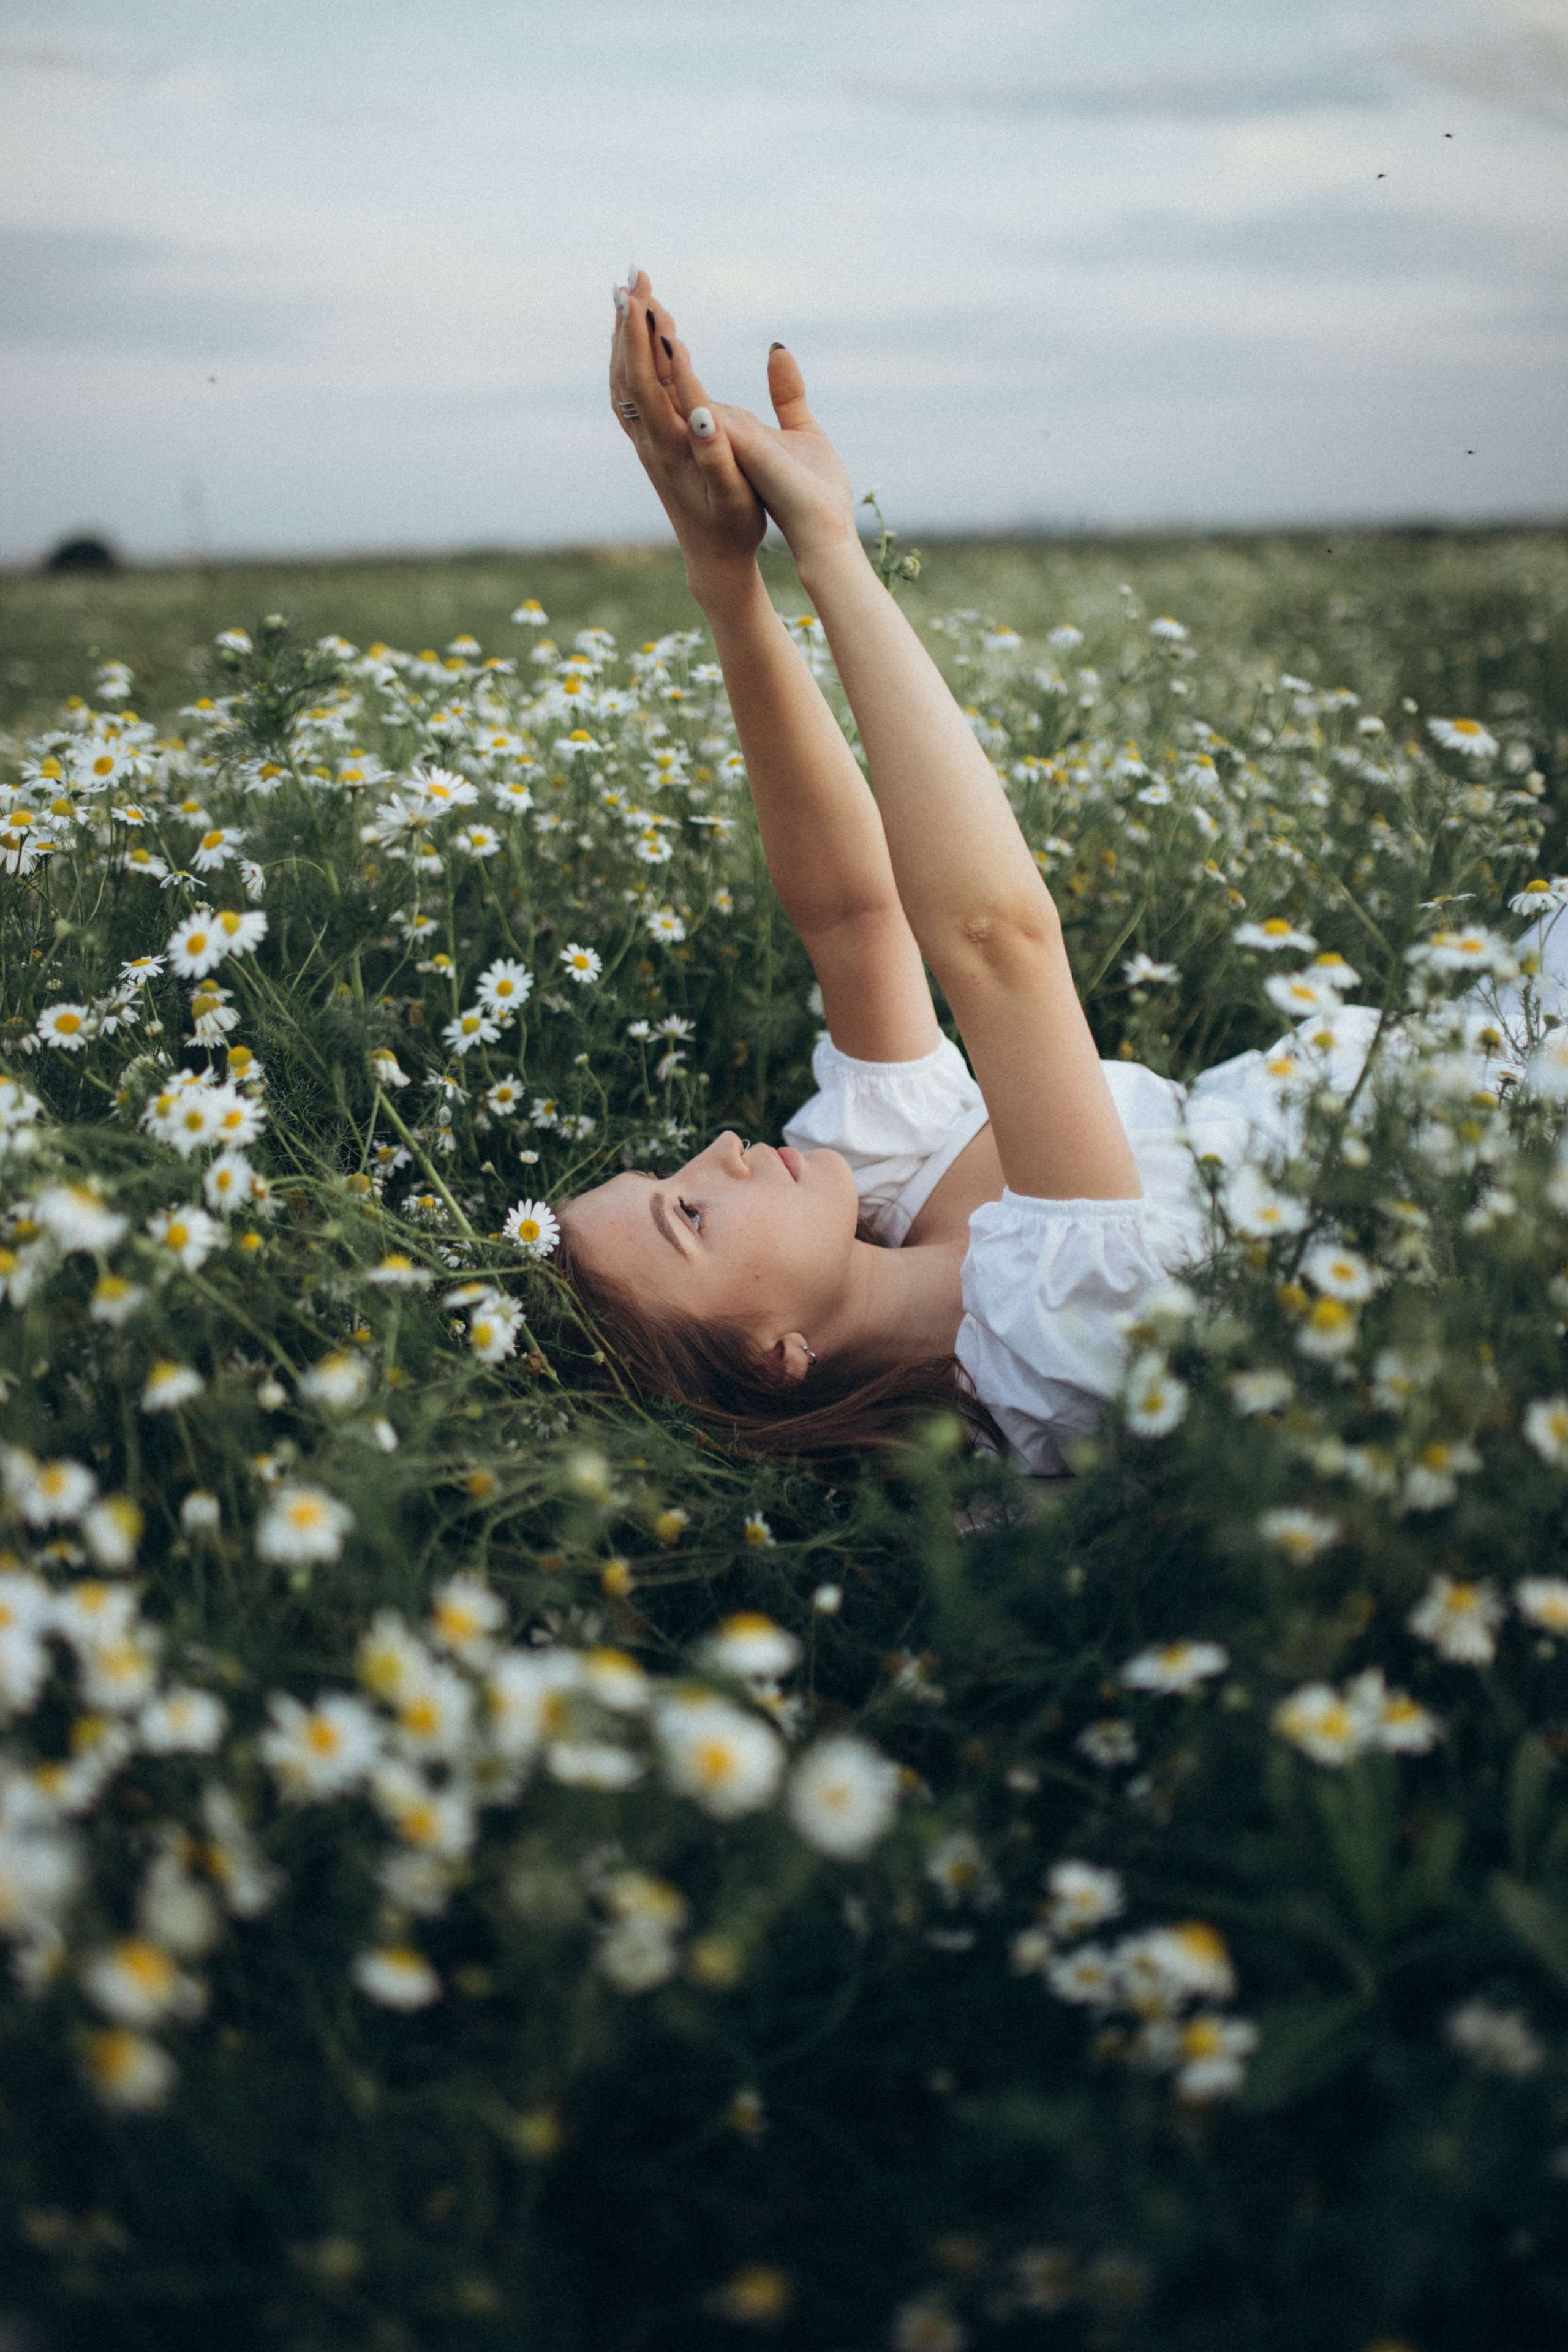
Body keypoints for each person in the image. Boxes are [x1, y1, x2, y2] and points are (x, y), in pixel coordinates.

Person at [552, 274, 1529, 1469]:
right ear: (773, 1357)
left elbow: (856, 918)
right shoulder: (1051, 1346)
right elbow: (996, 943)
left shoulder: (884, 1184)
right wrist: (825, 545)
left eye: (673, 1171)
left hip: (1470, 1036)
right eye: (689, 1213)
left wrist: (722, 571)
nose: (717, 1149)